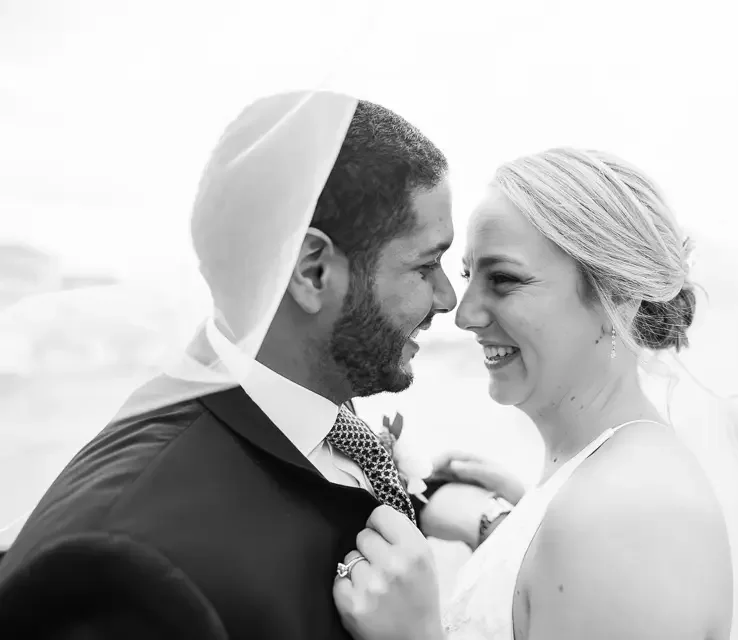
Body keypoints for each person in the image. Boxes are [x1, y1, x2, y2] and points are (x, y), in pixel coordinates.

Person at [0, 91, 497, 640]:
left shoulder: (315, 405)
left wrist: (462, 509)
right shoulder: (126, 570)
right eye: (426, 265)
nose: (449, 298)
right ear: (311, 272)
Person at [331, 148, 738, 640]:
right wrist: (510, 523)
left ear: (620, 298)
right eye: (469, 274)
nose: (464, 313)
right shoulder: (605, 480)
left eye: (505, 280)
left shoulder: (624, 514)